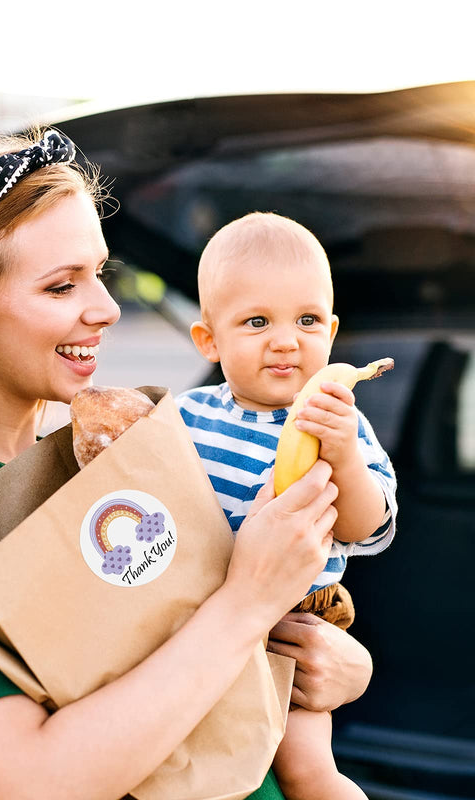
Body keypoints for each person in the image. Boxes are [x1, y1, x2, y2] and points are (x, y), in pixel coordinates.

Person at [0, 130, 374, 800]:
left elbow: (176, 649)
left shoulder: (86, 464)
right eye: (62, 287)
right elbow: (31, 782)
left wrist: (334, 665)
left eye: (100, 274)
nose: (107, 309)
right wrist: (246, 603)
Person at [176, 211, 397, 800]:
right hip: (194, 610)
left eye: (306, 320)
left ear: (330, 330)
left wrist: (345, 455)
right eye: (256, 321)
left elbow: (366, 525)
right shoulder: (186, 416)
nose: (285, 339)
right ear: (208, 340)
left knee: (305, 771)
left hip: (295, 620)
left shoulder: (338, 423)